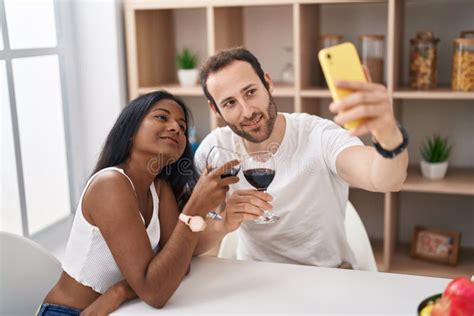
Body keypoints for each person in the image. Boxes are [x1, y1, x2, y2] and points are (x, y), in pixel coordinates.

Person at [193, 47, 409, 269]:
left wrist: (388, 133)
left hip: (327, 275)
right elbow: (190, 240)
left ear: (268, 83)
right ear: (215, 109)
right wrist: (223, 224)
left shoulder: (318, 135)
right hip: (255, 277)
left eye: (250, 92)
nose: (247, 111)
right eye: (230, 103)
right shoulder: (216, 149)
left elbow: (386, 179)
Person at [39, 91, 239, 315]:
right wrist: (194, 207)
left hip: (123, 308)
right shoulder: (110, 184)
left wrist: (120, 291)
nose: (175, 128)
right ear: (131, 131)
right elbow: (155, 292)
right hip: (67, 312)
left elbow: (178, 265)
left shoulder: (159, 188)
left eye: (182, 127)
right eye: (162, 117)